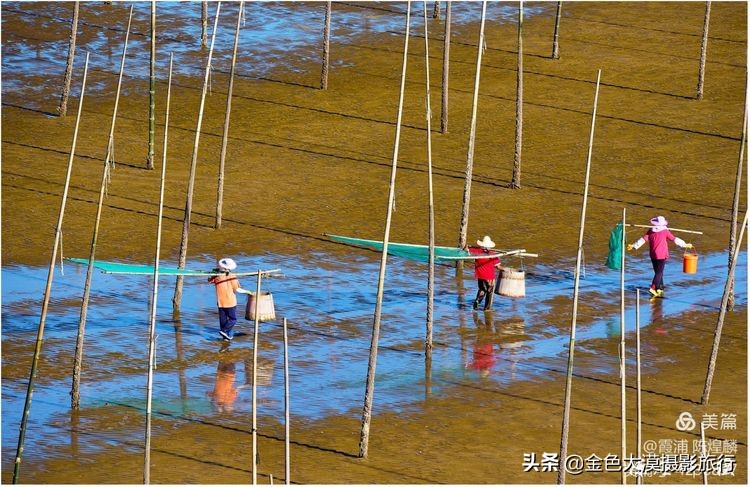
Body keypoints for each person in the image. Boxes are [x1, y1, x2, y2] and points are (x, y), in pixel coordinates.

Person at [626, 216, 693, 298]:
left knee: (657, 271)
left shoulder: (650, 231)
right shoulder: (665, 231)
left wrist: (633, 246)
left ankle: (660, 287)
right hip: (661, 254)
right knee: (659, 272)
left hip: (653, 254)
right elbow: (674, 239)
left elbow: (642, 240)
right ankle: (653, 287)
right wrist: (685, 244)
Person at [208, 257, 247, 341]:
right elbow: (236, 288)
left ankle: (225, 335)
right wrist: (247, 292)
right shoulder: (232, 276)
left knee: (223, 319)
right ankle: (224, 331)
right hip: (230, 302)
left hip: (220, 301)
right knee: (233, 319)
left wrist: (214, 273)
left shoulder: (218, 276)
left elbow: (210, 280)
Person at [468, 235, 503, 310]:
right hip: (489, 277)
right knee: (489, 292)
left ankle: (477, 301)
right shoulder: (493, 255)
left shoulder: (476, 251)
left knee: (482, 289)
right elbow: (498, 267)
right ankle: (487, 308)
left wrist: (468, 246)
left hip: (479, 275)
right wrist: (504, 269)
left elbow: (466, 249)